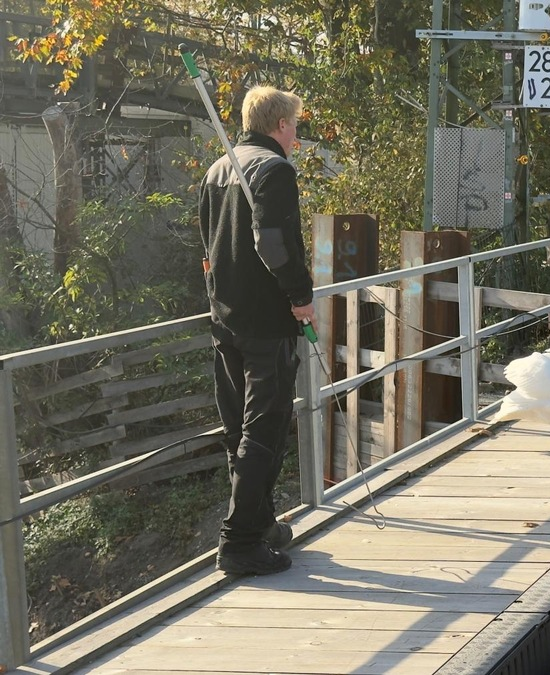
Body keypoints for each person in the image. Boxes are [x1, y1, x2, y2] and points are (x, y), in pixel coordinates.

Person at [199, 86, 314, 575]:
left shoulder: (217, 169)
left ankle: (261, 521)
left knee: (238, 430)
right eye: (295, 125)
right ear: (281, 124)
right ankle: (240, 543)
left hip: (225, 319)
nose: (296, 134)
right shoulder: (275, 170)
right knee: (263, 429)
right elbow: (273, 244)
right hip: (267, 320)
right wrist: (300, 295)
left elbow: (206, 249)